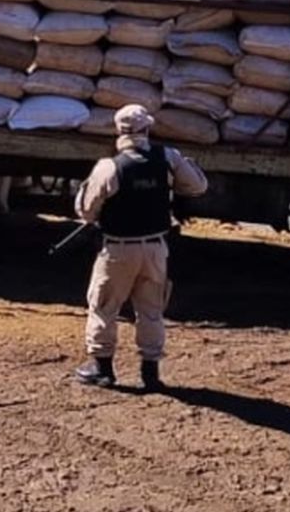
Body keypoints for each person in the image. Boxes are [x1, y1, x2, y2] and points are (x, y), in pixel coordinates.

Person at [73, 103, 208, 391]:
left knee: (104, 307)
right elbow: (197, 186)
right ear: (147, 129)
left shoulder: (109, 167)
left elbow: (85, 211)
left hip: (118, 251)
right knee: (151, 310)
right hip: (156, 249)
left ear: (119, 132)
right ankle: (150, 374)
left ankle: (102, 368)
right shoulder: (168, 157)